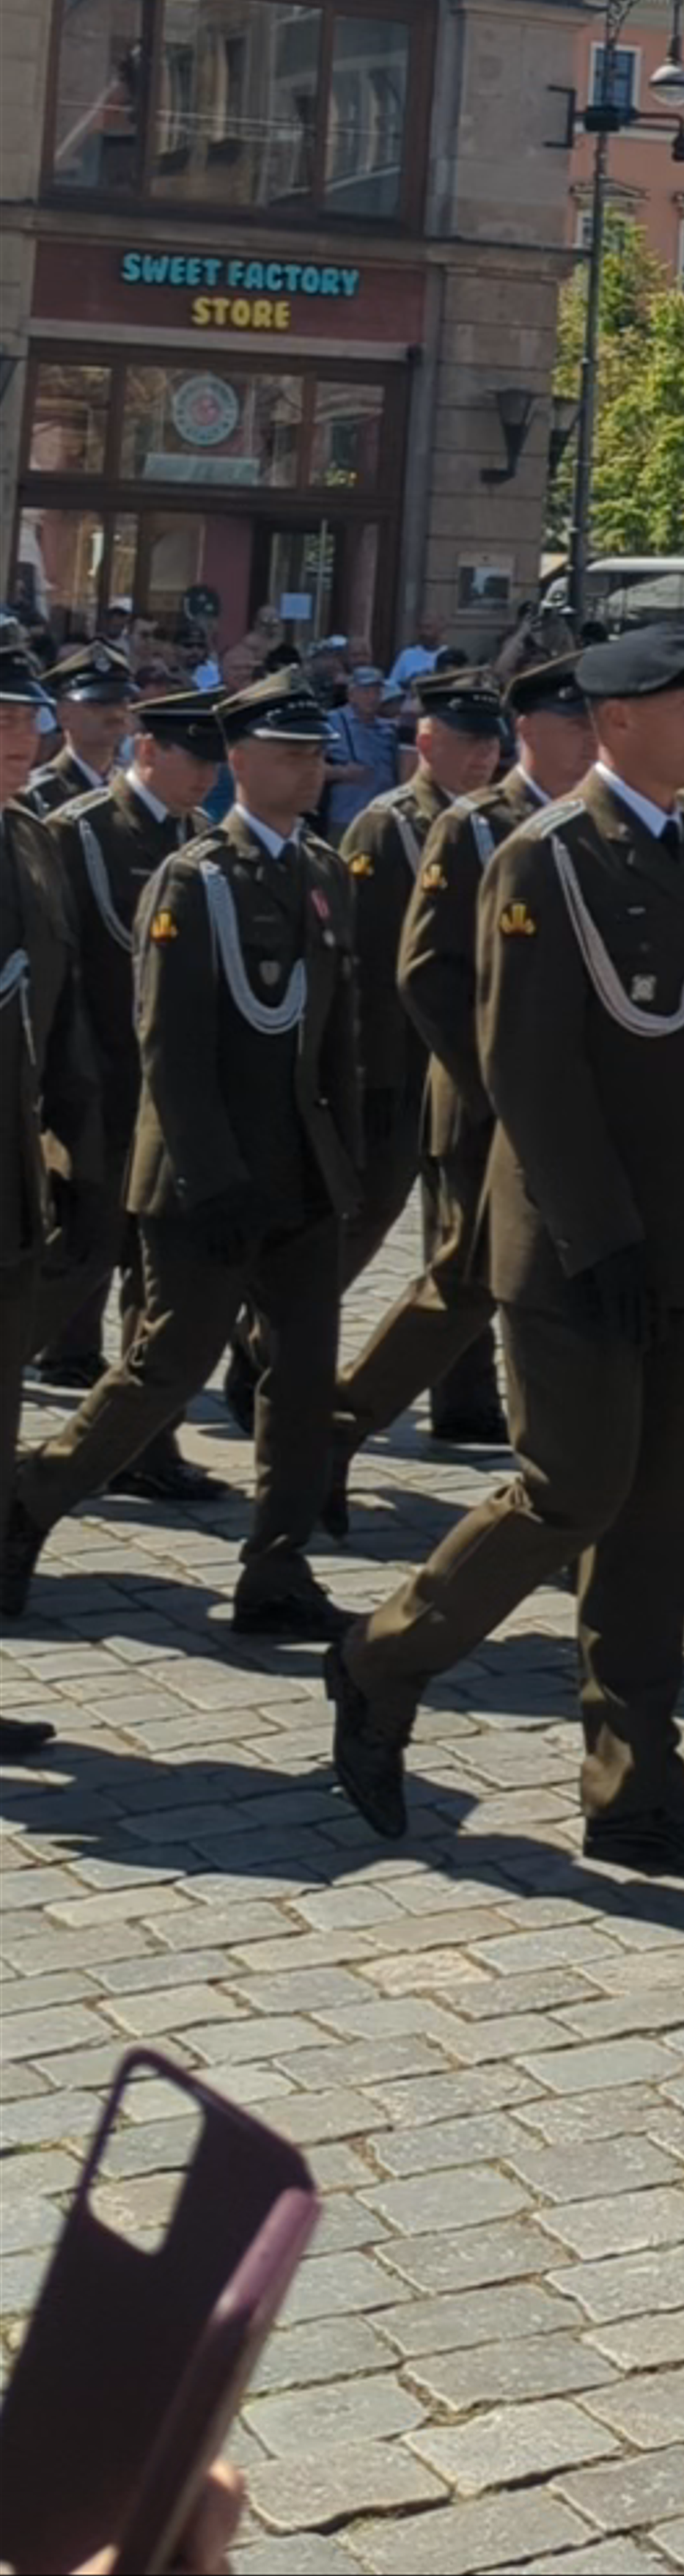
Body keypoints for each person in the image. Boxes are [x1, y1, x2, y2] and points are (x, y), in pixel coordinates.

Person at [323, 625, 684, 1874]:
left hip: (680, 1233)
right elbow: (523, 1060)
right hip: (579, 1241)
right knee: (572, 1488)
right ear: (615, 719)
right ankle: (382, 1654)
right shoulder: (548, 853)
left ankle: (638, 1785)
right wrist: (598, 1228)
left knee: (656, 1514)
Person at [10, 673, 360, 1644]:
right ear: (239, 761)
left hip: (300, 1169)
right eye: (289, 753)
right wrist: (213, 1177)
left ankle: (278, 1565)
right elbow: (170, 1045)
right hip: (209, 1179)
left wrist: (342, 1157)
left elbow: (337, 1030)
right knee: (167, 1362)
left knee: (302, 1376)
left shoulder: (322, 870)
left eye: (315, 753)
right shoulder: (196, 877)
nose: (309, 770)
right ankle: (33, 1497)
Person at [332, 652, 594, 1479]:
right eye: (576, 724)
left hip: (540, 1095)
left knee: (481, 1267)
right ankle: (301, 1391)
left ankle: (478, 1411)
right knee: (448, 1262)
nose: (480, 755)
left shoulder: (581, 821)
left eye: (487, 742)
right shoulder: (441, 825)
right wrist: (395, 1075)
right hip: (453, 1086)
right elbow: (396, 969)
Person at [31, 684, 231, 1507]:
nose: (206, 776)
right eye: (193, 758)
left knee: (159, 1285)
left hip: (168, 1101)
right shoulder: (77, 831)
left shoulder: (202, 837)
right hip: (96, 1090)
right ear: (148, 750)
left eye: (216, 762)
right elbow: (59, 967)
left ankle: (147, 1447)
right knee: (66, 1268)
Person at [333, 665, 511, 1308]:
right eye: (468, 742)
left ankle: (460, 1376)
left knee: (461, 1236)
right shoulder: (390, 825)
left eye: (490, 742)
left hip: (460, 1062)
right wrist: (371, 1072)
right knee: (363, 1218)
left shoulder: (495, 823)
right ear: (429, 742)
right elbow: (364, 962)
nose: (483, 755)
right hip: (400, 1064)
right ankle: (269, 1342)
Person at [0, 633, 97, 1762]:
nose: (21, 735)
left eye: (26, 715)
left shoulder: (29, 835)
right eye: (1, 718)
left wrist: (78, 1152)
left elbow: (58, 1011)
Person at [30, 640, 131, 817]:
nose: (115, 712)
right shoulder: (36, 797)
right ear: (63, 715)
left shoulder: (135, 790)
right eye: (98, 703)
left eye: (120, 701)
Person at [318, 670, 401, 841]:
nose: (372, 698)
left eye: (377, 692)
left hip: (382, 817)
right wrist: (342, 773)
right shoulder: (332, 722)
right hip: (346, 817)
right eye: (366, 692)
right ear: (351, 695)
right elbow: (308, 766)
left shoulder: (388, 729)